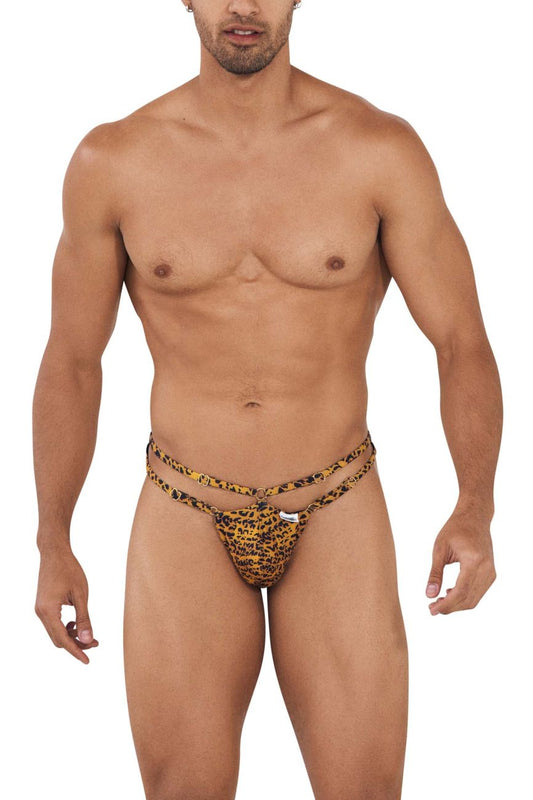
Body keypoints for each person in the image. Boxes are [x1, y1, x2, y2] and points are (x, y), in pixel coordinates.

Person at [32, 1, 503, 798]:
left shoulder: (376, 149)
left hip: (335, 501)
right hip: (184, 506)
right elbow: (73, 363)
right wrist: (53, 539)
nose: (243, 6)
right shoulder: (114, 160)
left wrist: (474, 506)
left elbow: (461, 341)